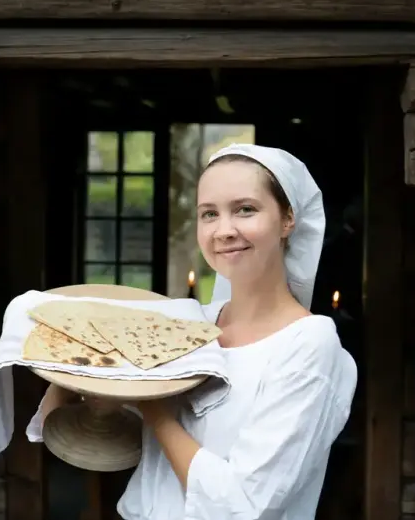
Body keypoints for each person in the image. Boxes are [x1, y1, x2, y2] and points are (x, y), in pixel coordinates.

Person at [29, 144, 358, 520]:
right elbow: (102, 440)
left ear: (287, 219)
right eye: (209, 214)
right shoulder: (191, 325)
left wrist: (153, 407)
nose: (224, 231)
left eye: (245, 209)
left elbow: (244, 507)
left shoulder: (308, 344)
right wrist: (86, 371)